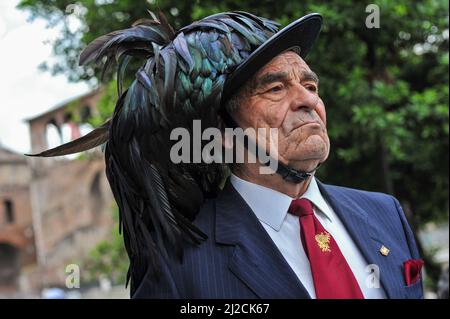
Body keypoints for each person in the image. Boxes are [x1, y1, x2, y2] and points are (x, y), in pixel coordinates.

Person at [32, 10, 424, 299]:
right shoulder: (179, 268)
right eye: (275, 89)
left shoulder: (384, 213)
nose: (307, 100)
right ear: (220, 133)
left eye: (310, 84)